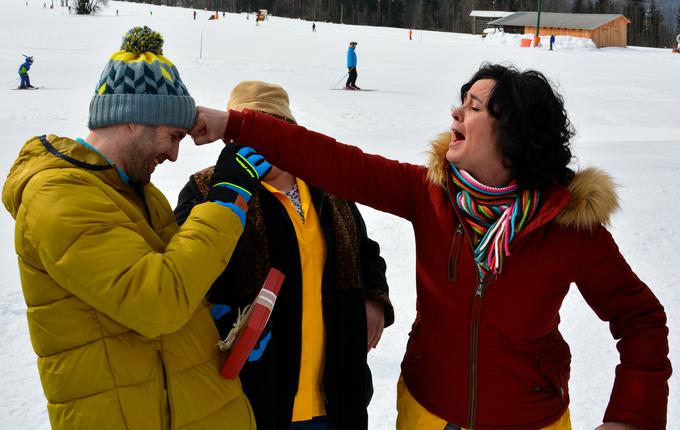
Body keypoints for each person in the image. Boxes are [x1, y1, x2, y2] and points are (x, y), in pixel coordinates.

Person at [188, 64, 671, 430]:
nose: (456, 113)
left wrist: (630, 415)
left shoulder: (567, 226)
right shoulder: (430, 194)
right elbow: (335, 160)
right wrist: (235, 124)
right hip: (427, 413)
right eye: (462, 101)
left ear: (515, 133)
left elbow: (642, 320)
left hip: (530, 419)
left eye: (475, 107)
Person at [1, 26, 271, 430]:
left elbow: (166, 289)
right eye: (172, 136)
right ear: (132, 120)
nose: (176, 154)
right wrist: (227, 200)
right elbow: (157, 302)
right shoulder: (58, 197)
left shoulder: (137, 193)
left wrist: (205, 320)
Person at [175, 81, 394, 430]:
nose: (256, 144)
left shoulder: (327, 188)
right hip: (257, 396)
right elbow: (186, 275)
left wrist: (374, 299)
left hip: (336, 395)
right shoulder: (208, 189)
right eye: (242, 134)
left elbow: (366, 252)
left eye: (268, 129)